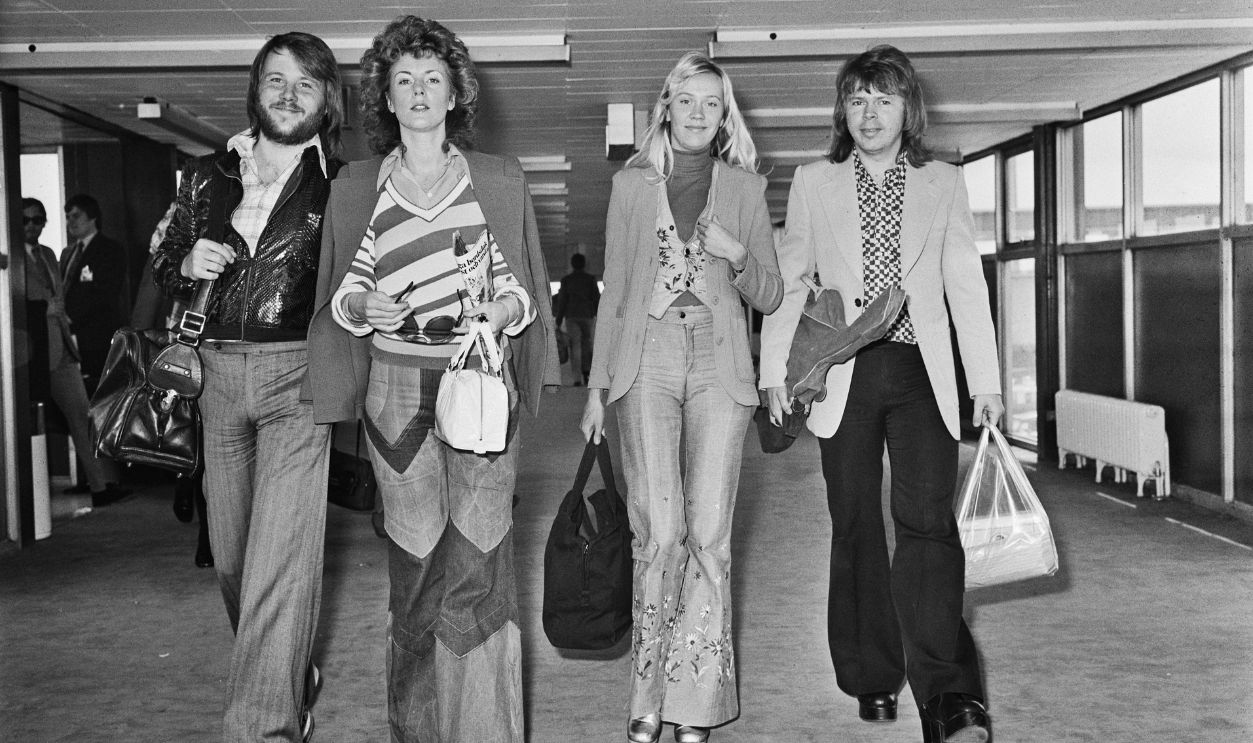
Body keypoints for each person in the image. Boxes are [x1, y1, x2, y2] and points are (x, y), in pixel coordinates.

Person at [313, 16, 558, 742]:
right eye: (403, 81)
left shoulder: (496, 179)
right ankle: (417, 732)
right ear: (385, 99)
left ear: (455, 94)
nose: (419, 93)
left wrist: (500, 307)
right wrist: (363, 302)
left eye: (432, 79)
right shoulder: (358, 185)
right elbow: (343, 288)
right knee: (414, 568)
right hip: (394, 390)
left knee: (480, 562)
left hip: (478, 383)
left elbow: (525, 292)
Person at [759, 45, 1004, 743]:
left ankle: (950, 694)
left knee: (928, 523)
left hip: (921, 372)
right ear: (842, 109)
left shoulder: (942, 182)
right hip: (846, 372)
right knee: (855, 521)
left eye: (884, 99)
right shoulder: (813, 182)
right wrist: (773, 370)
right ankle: (870, 673)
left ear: (907, 109)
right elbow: (790, 283)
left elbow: (964, 287)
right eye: (857, 100)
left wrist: (984, 383)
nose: (869, 114)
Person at [580, 51, 782, 743]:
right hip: (648, 354)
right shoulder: (631, 185)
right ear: (665, 105)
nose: (698, 114)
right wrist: (595, 386)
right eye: (687, 101)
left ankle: (696, 703)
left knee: (709, 535)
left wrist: (735, 253)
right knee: (658, 532)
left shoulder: (746, 189)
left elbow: (771, 293)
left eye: (711, 104)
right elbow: (613, 290)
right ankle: (645, 697)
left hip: (720, 364)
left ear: (725, 116)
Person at [151, 31, 344, 742]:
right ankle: (290, 673)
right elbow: (164, 258)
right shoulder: (204, 175)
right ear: (254, 91)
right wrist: (185, 263)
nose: (288, 95)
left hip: (300, 371)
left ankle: (260, 727)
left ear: (326, 100)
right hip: (218, 379)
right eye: (275, 80)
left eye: (305, 84)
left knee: (280, 556)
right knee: (234, 560)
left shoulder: (342, 182)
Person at [21, 197, 130, 507]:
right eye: (26, 219)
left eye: (38, 219)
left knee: (83, 416)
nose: (32, 225)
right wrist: (45, 311)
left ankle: (101, 486)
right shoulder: (14, 259)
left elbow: (97, 294)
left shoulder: (50, 254)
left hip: (66, 348)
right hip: (32, 352)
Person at [61, 193, 131, 395]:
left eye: (76, 216)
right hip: (71, 338)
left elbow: (105, 294)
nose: (70, 222)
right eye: (67, 217)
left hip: (97, 336)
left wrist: (72, 318)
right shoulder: (69, 252)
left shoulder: (109, 249)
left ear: (92, 217)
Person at [553, 252, 599, 385]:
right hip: (587, 316)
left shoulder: (567, 280)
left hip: (572, 316)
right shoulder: (590, 279)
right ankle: (587, 373)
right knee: (587, 345)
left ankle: (577, 379)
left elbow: (562, 301)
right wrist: (598, 314)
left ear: (572, 264)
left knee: (575, 346)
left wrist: (559, 319)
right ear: (584, 264)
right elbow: (596, 297)